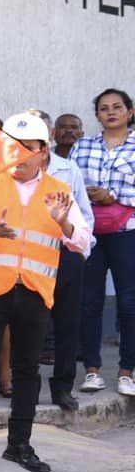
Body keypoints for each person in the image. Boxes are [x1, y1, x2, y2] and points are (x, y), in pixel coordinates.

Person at [0, 114, 89, 472]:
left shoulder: (59, 190)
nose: (19, 154)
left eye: (28, 148)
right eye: (12, 146)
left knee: (27, 370)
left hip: (33, 290)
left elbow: (83, 243)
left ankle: (19, 444)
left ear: (43, 153)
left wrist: (64, 223)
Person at [72, 87, 135, 396]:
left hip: (128, 232)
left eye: (117, 107)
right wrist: (91, 195)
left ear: (130, 112)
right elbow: (68, 187)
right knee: (90, 302)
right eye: (104, 108)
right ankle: (92, 370)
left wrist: (114, 196)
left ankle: (127, 372)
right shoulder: (82, 147)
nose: (111, 112)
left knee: (129, 302)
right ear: (97, 115)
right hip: (90, 232)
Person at [37, 109, 95, 410]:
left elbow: (85, 215)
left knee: (68, 324)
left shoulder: (67, 169)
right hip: (31, 256)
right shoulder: (13, 170)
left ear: (49, 136)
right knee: (30, 324)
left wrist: (81, 250)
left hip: (66, 253)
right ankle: (28, 387)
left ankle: (62, 387)